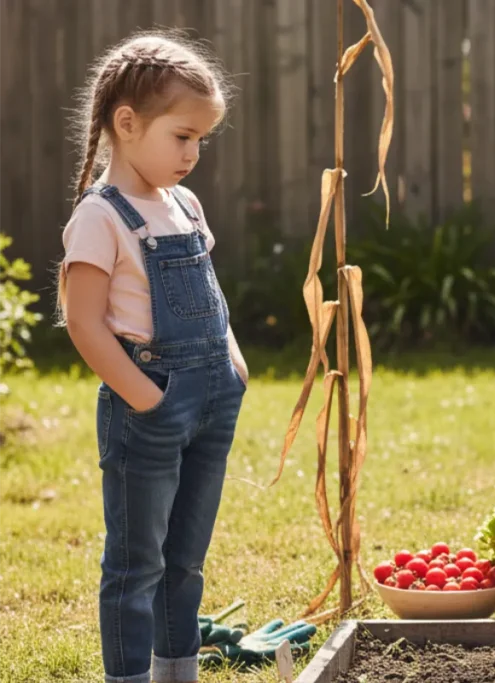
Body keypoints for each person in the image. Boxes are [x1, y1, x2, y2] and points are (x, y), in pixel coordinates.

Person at [56, 31, 246, 683]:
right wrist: (147, 398)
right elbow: (83, 323)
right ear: (127, 123)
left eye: (201, 140)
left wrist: (233, 363)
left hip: (214, 401)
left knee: (186, 555)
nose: (193, 153)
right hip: (152, 406)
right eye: (182, 136)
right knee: (139, 562)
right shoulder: (100, 217)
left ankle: (178, 668)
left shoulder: (184, 206)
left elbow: (210, 294)